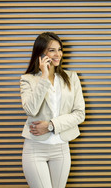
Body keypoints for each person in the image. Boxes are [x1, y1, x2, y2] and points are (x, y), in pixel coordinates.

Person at [20, 32, 85, 188]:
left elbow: (79, 114)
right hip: (35, 149)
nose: (58, 54)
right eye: (52, 50)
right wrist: (43, 76)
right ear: (41, 53)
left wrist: (51, 125)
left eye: (59, 49)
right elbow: (31, 110)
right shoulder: (28, 79)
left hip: (61, 148)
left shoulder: (72, 78)